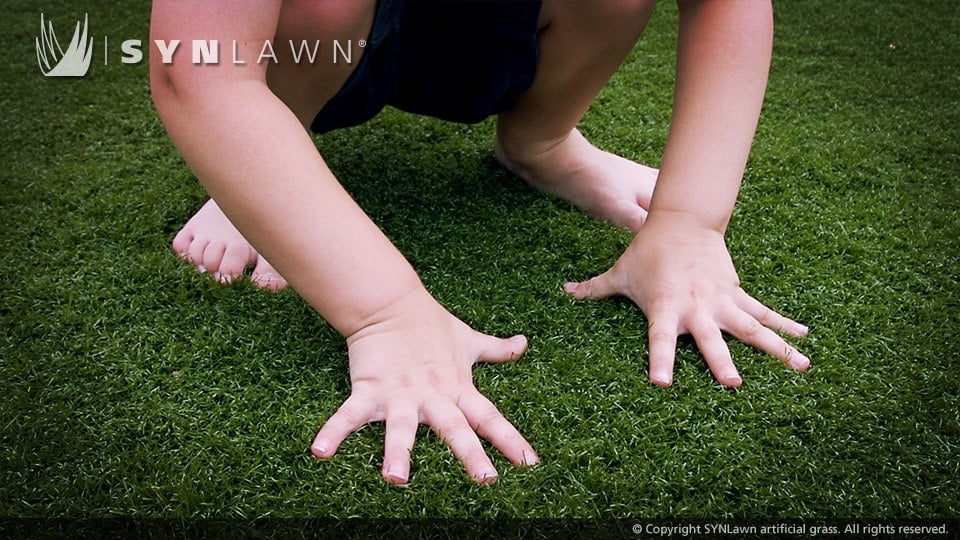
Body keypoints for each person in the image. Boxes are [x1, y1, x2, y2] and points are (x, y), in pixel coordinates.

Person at [150, 0, 810, 486]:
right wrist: (387, 311)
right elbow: (199, 66)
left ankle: (541, 143)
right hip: (307, 49)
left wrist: (689, 221)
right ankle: (256, 180)